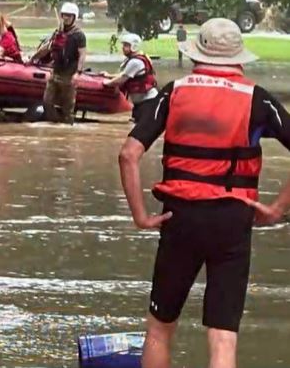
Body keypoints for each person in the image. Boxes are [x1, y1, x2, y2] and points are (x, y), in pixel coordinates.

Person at [118, 18, 290, 368]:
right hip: (233, 220)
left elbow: (128, 154)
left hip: (179, 218)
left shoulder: (174, 91)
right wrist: (276, 210)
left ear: (197, 53)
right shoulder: (258, 99)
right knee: (223, 335)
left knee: (159, 329)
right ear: (238, 59)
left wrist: (140, 216)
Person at [33, 2, 86, 123]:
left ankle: (67, 127)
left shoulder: (79, 35)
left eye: (69, 16)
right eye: (64, 15)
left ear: (74, 17)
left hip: (69, 75)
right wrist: (33, 58)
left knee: (67, 108)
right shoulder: (58, 33)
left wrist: (78, 73)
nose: (66, 18)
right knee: (47, 102)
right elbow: (47, 47)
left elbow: (82, 54)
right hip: (55, 72)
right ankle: (55, 125)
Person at [103, 32, 159, 120]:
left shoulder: (135, 62)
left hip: (148, 103)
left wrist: (107, 83)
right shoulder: (135, 59)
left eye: (126, 45)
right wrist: (109, 75)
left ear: (134, 46)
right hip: (141, 103)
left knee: (140, 130)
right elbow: (125, 74)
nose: (123, 48)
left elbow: (122, 79)